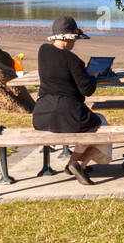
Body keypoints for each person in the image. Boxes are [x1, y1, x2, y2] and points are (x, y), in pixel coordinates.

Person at [31, 16, 111, 186]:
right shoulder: (74, 61)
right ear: (68, 39)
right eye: (74, 38)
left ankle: (69, 165)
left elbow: (60, 77)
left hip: (42, 115)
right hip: (69, 115)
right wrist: (93, 76)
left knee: (90, 129)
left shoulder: (42, 51)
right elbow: (87, 90)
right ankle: (80, 164)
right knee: (103, 128)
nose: (75, 42)